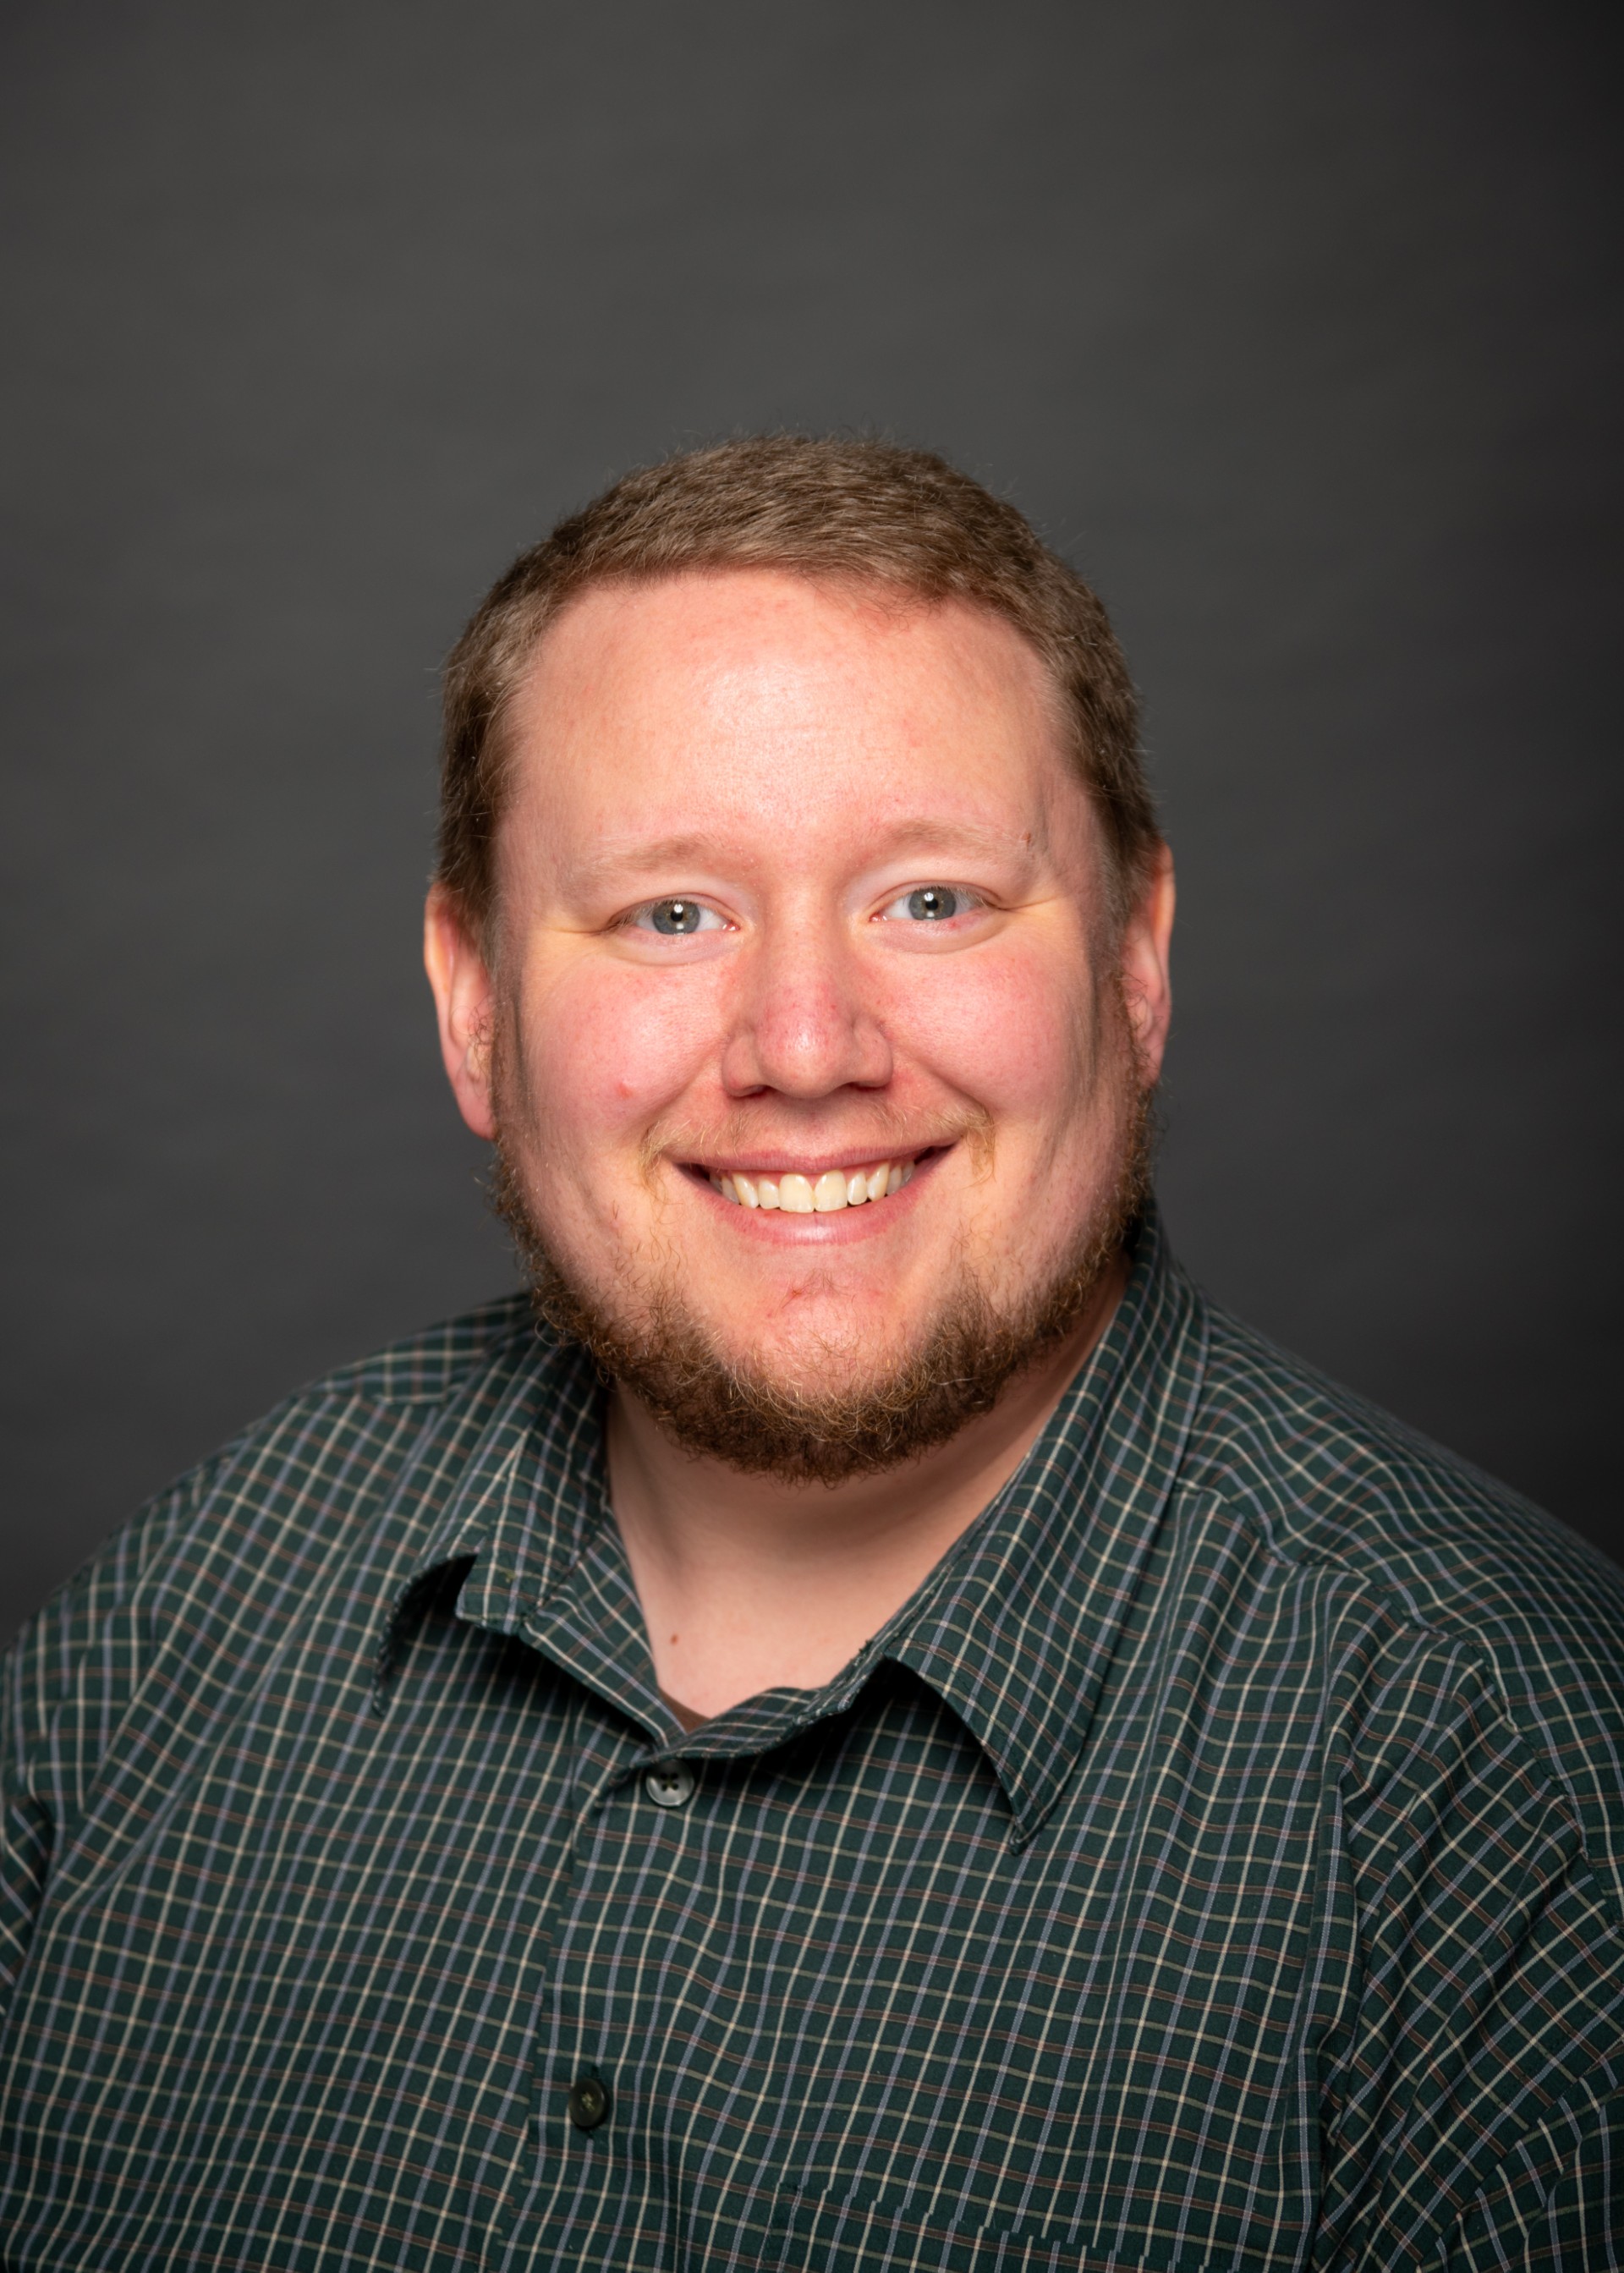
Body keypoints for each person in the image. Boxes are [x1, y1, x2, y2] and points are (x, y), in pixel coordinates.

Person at [1, 437, 1619, 2273]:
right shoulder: (198, 1601)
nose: (803, 1043)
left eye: (929, 897)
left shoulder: (1509, 1797)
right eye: (669, 914)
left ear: (1139, 964)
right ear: (473, 1010)